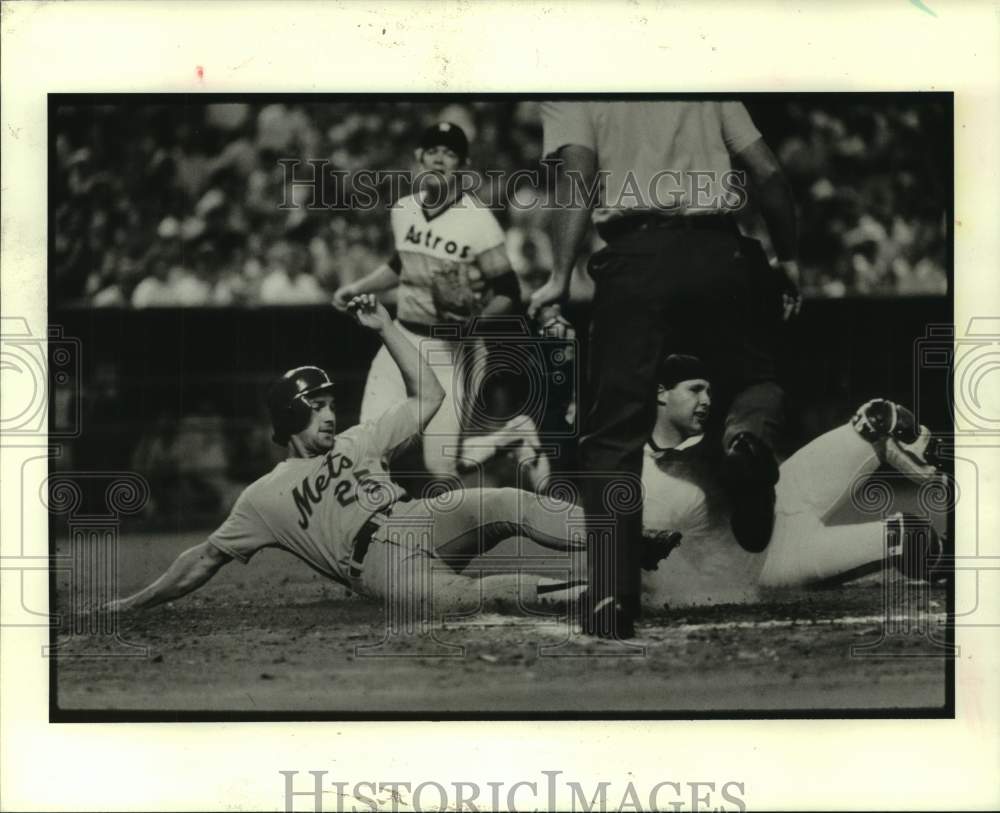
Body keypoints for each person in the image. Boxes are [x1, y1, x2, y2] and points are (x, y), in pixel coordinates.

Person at [106, 296, 591, 618]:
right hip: (378, 566)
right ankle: (581, 595)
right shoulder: (262, 498)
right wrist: (134, 603)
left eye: (330, 404)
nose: (330, 414)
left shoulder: (358, 440)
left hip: (418, 516)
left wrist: (386, 327)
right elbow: (205, 558)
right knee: (469, 598)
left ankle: (618, 540)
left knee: (504, 500)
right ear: (291, 415)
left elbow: (428, 397)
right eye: (317, 407)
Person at [531, 100, 801, 637]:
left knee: (614, 434)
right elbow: (766, 168)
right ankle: (746, 442)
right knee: (752, 380)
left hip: (636, 259)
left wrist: (559, 274)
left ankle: (611, 593)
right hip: (719, 250)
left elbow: (579, 173)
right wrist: (788, 256)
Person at [639, 354, 948, 608]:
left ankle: (973, 491)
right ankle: (950, 562)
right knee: (913, 537)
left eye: (708, 390)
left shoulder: (714, 432)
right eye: (694, 390)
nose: (706, 400)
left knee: (882, 420)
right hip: (768, 560)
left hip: (784, 494)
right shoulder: (640, 473)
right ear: (661, 393)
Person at [332, 122, 521, 481]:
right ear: (419, 158)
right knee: (368, 448)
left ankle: (508, 440)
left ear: (462, 167)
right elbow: (400, 264)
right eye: (433, 150)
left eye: (449, 153)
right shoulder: (404, 208)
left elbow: (510, 293)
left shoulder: (480, 222)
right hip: (400, 336)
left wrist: (474, 322)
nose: (439, 159)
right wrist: (356, 287)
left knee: (440, 466)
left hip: (451, 349)